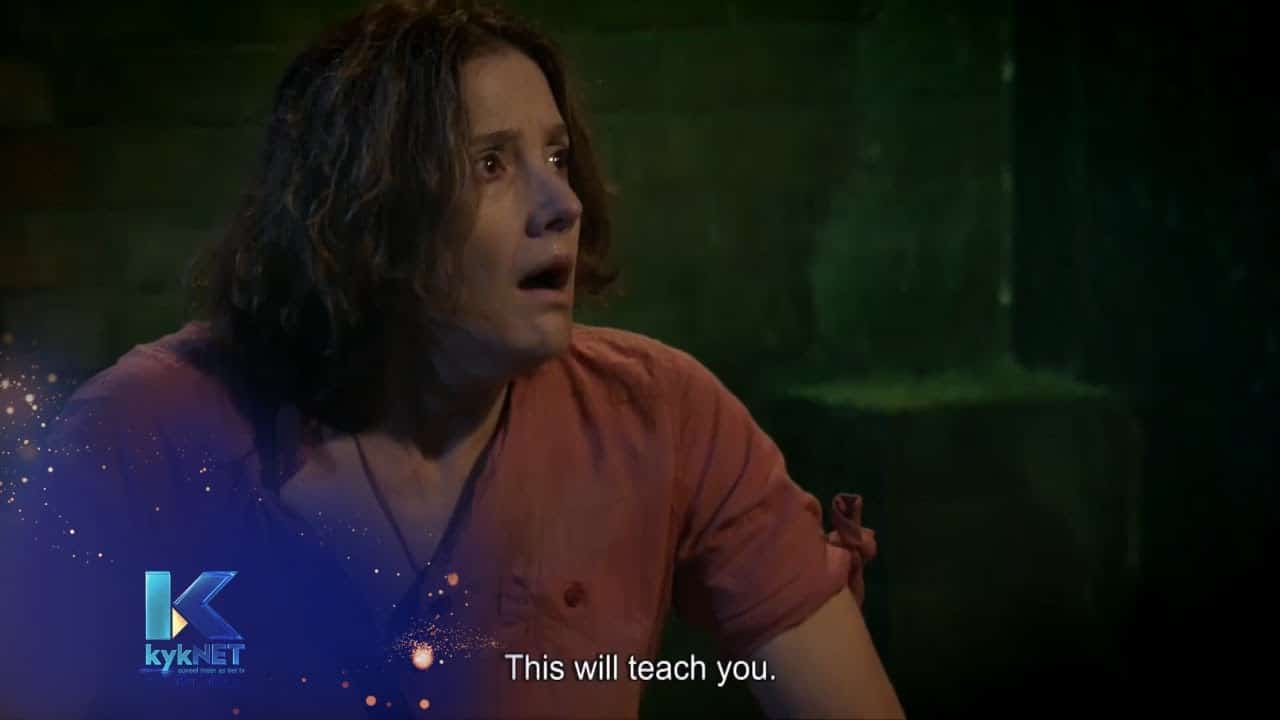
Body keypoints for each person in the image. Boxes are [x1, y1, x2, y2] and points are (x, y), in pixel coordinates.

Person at [0, 1, 903, 718]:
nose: (562, 203)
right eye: (490, 164)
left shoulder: (660, 417)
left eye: (557, 156)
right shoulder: (143, 437)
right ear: (364, 209)